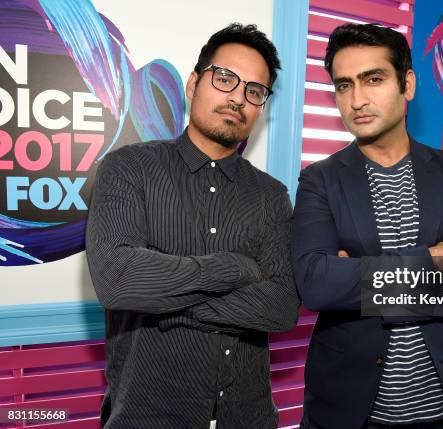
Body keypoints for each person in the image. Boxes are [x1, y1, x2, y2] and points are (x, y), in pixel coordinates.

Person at [86, 23, 299, 429]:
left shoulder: (271, 195)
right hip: (146, 418)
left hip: (247, 419)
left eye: (255, 91)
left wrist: (162, 302)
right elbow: (118, 279)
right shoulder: (128, 168)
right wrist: (235, 268)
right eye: (225, 79)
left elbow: (281, 306)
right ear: (193, 83)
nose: (238, 96)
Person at [292, 24, 443, 429]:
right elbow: (316, 283)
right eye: (343, 86)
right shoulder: (320, 180)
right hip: (347, 412)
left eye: (373, 79)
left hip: (436, 412)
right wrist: (433, 260)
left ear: (407, 84)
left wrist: (359, 273)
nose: (356, 100)